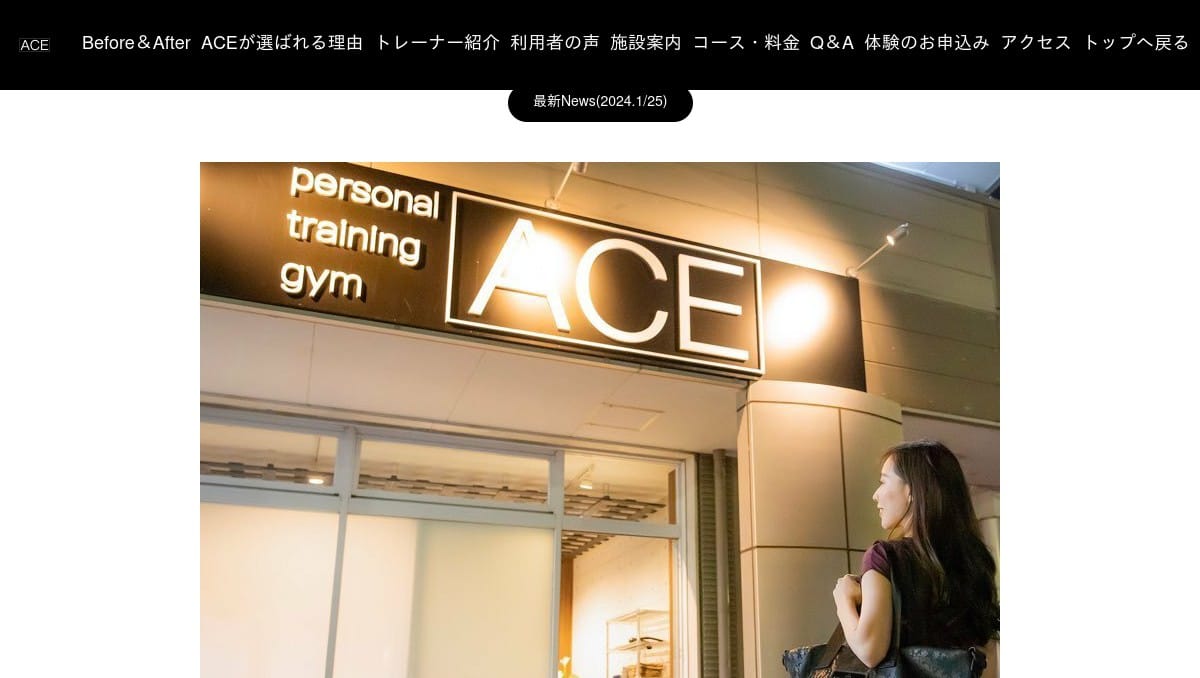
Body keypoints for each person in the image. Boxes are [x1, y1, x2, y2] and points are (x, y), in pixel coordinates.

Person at [831, 439, 999, 673]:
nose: (875, 495)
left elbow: (869, 650)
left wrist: (843, 598)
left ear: (911, 491)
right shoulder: (975, 561)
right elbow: (987, 654)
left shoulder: (885, 557)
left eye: (883, 482)